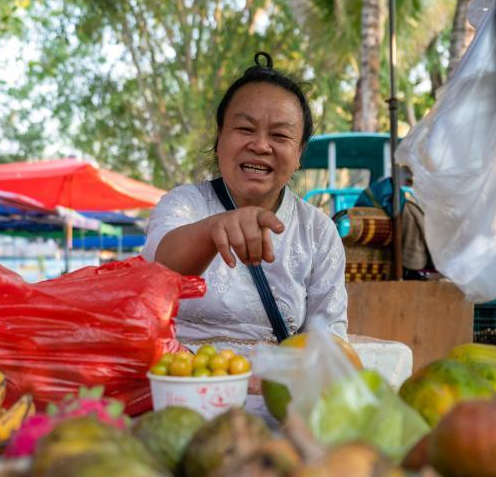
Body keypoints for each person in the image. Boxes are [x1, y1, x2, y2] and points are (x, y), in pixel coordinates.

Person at [142, 52, 346, 351]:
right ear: (219, 138)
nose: (260, 145)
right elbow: (154, 276)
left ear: (299, 152)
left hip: (275, 391)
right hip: (181, 383)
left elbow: (330, 342)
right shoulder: (184, 204)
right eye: (245, 129)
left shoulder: (318, 232)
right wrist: (214, 229)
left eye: (279, 135)